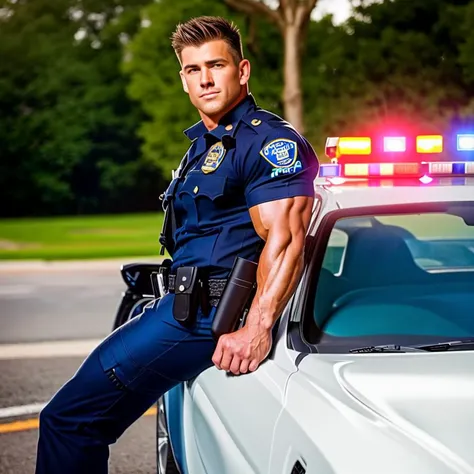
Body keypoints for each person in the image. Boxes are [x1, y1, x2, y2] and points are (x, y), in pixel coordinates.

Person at [35, 16, 319, 473]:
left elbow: (286, 241)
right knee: (74, 418)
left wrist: (257, 327)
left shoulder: (269, 142)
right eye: (193, 69)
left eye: (216, 65)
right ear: (183, 78)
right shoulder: (207, 144)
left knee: (70, 420)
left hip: (205, 318)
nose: (205, 79)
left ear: (242, 71)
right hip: (183, 306)